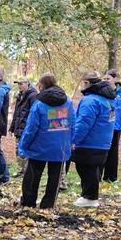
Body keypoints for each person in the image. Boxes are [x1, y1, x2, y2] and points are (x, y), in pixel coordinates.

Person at [17, 74, 73, 208]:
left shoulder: (39, 104)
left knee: (32, 175)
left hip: (39, 146)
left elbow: (31, 128)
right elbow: (73, 123)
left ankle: (28, 202)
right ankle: (48, 204)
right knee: (55, 177)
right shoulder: (68, 103)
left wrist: (23, 145)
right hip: (60, 146)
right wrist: (70, 142)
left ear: (41, 85)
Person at [71, 71, 116, 207]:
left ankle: (90, 197)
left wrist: (73, 140)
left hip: (90, 142)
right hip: (103, 141)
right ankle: (88, 195)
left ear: (86, 83)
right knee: (93, 170)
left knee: (85, 168)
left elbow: (83, 123)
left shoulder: (90, 100)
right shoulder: (108, 100)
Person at [102, 69, 121, 182]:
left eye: (108, 78)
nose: (106, 81)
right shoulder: (102, 91)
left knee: (113, 151)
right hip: (105, 124)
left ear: (114, 79)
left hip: (116, 125)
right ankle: (99, 175)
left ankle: (111, 177)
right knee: (103, 150)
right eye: (104, 79)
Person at [9, 78, 37, 177]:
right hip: (19, 127)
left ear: (27, 84)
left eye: (21, 84)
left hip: (26, 128)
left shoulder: (33, 95)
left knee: (25, 150)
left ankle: (26, 171)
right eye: (18, 84)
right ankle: (20, 170)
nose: (19, 86)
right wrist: (12, 127)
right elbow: (16, 113)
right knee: (18, 149)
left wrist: (30, 128)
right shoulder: (19, 96)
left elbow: (34, 113)